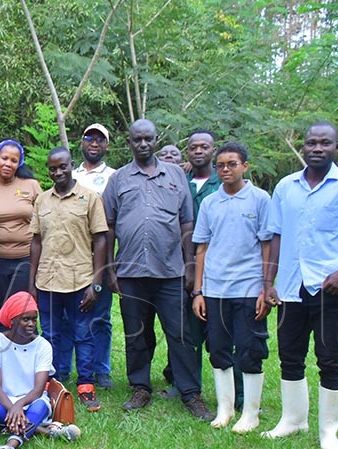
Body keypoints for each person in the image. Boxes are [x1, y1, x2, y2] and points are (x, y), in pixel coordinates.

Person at [262, 121, 338, 449]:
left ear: (336, 148)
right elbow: (276, 235)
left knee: (329, 357)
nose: (317, 148)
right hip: (289, 287)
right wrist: (268, 282)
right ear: (303, 147)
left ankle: (328, 431)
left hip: (329, 289)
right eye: (311, 142)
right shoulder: (286, 187)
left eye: (325, 143)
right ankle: (292, 419)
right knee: (290, 355)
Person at [102, 120, 213, 421]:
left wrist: (190, 265)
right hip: (131, 270)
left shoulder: (176, 175)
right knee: (137, 333)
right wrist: (109, 268)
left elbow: (187, 223)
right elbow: (109, 226)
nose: (143, 144)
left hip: (171, 271)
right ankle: (140, 387)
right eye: (136, 139)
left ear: (155, 140)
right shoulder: (119, 179)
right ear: (129, 143)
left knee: (180, 333)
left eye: (148, 139)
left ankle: (190, 392)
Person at [190, 142, 273, 431]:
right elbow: (201, 247)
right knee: (219, 349)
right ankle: (225, 409)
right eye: (221, 165)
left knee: (250, 349)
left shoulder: (260, 199)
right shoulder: (211, 202)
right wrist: (198, 291)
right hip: (215, 290)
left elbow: (267, 245)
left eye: (232, 164)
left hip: (249, 288)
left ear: (245, 166)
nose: (226, 169)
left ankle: (250, 412)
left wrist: (266, 288)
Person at [29, 147, 108, 411]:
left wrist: (96, 282)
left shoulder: (90, 198)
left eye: (63, 166)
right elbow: (36, 241)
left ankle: (86, 384)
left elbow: (100, 239)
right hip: (48, 280)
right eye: (53, 168)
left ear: (71, 165)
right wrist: (31, 281)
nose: (58, 172)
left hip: (81, 279)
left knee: (83, 334)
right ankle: (54, 382)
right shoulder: (41, 200)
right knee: (51, 333)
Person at [0, 292, 81, 449]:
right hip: (3, 401)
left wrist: (19, 406)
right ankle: (46, 431)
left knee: (41, 406)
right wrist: (13, 408)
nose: (31, 324)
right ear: (12, 320)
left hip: (33, 399)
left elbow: (38, 388)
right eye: (25, 319)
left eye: (34, 319)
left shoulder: (43, 346)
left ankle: (9, 447)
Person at [162, 130, 222, 400]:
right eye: (193, 147)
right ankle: (183, 382)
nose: (198, 151)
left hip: (219, 263)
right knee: (185, 328)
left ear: (213, 150)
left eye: (204, 147)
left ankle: (236, 391)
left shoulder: (224, 180)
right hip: (181, 262)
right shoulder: (178, 179)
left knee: (221, 329)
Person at [65, 123, 118, 390]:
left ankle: (101, 369)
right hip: (69, 255)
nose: (94, 143)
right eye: (89, 138)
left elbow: (113, 223)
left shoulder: (114, 176)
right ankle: (69, 368)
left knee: (100, 315)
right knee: (69, 316)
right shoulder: (69, 174)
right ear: (82, 142)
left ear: (107, 145)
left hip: (100, 255)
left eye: (100, 139)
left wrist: (109, 266)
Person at [0, 139, 43, 327]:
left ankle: (26, 350)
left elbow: (44, 219)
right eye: (4, 158)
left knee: (23, 309)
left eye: (14, 160)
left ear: (19, 163)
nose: (8, 163)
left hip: (25, 259)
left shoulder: (31, 185)